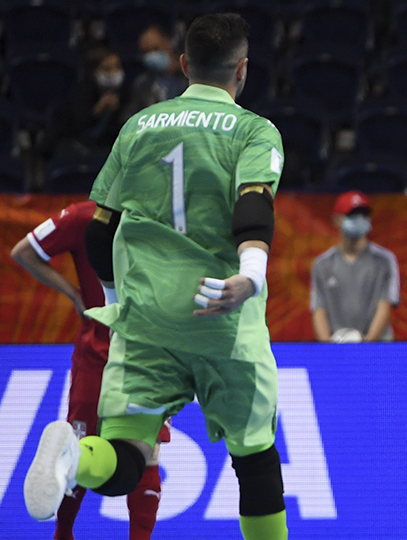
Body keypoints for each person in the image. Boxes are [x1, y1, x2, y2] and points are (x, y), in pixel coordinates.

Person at [23, 13, 288, 540]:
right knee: (255, 460)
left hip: (145, 323)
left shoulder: (137, 126)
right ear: (242, 70)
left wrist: (122, 302)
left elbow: (100, 233)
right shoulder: (255, 130)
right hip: (221, 318)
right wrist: (251, 276)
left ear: (183, 64)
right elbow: (253, 207)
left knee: (125, 457)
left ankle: (77, 457)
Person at [12, 201, 167, 540]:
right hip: (142, 354)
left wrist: (76, 296)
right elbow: (23, 252)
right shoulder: (159, 215)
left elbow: (22, 252)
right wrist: (74, 294)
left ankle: (62, 535)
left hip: (125, 353)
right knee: (144, 450)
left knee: (81, 447)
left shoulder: (92, 216)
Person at [310, 190, 400, 343]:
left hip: (377, 347)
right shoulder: (322, 264)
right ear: (336, 219)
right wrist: (327, 349)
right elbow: (318, 309)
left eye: (364, 215)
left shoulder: (384, 261)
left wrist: (366, 345)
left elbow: (385, 305)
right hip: (336, 347)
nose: (359, 219)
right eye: (351, 215)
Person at [46, 46, 132, 158]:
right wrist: (98, 110)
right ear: (94, 72)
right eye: (107, 69)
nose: (114, 73)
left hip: (107, 148)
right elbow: (77, 126)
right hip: (74, 146)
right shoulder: (81, 92)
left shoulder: (124, 93)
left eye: (117, 67)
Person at [121, 25, 188, 121]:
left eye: (156, 49)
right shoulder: (142, 83)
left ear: (168, 44)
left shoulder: (189, 77)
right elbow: (127, 118)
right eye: (146, 52)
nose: (152, 56)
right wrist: (146, 114)